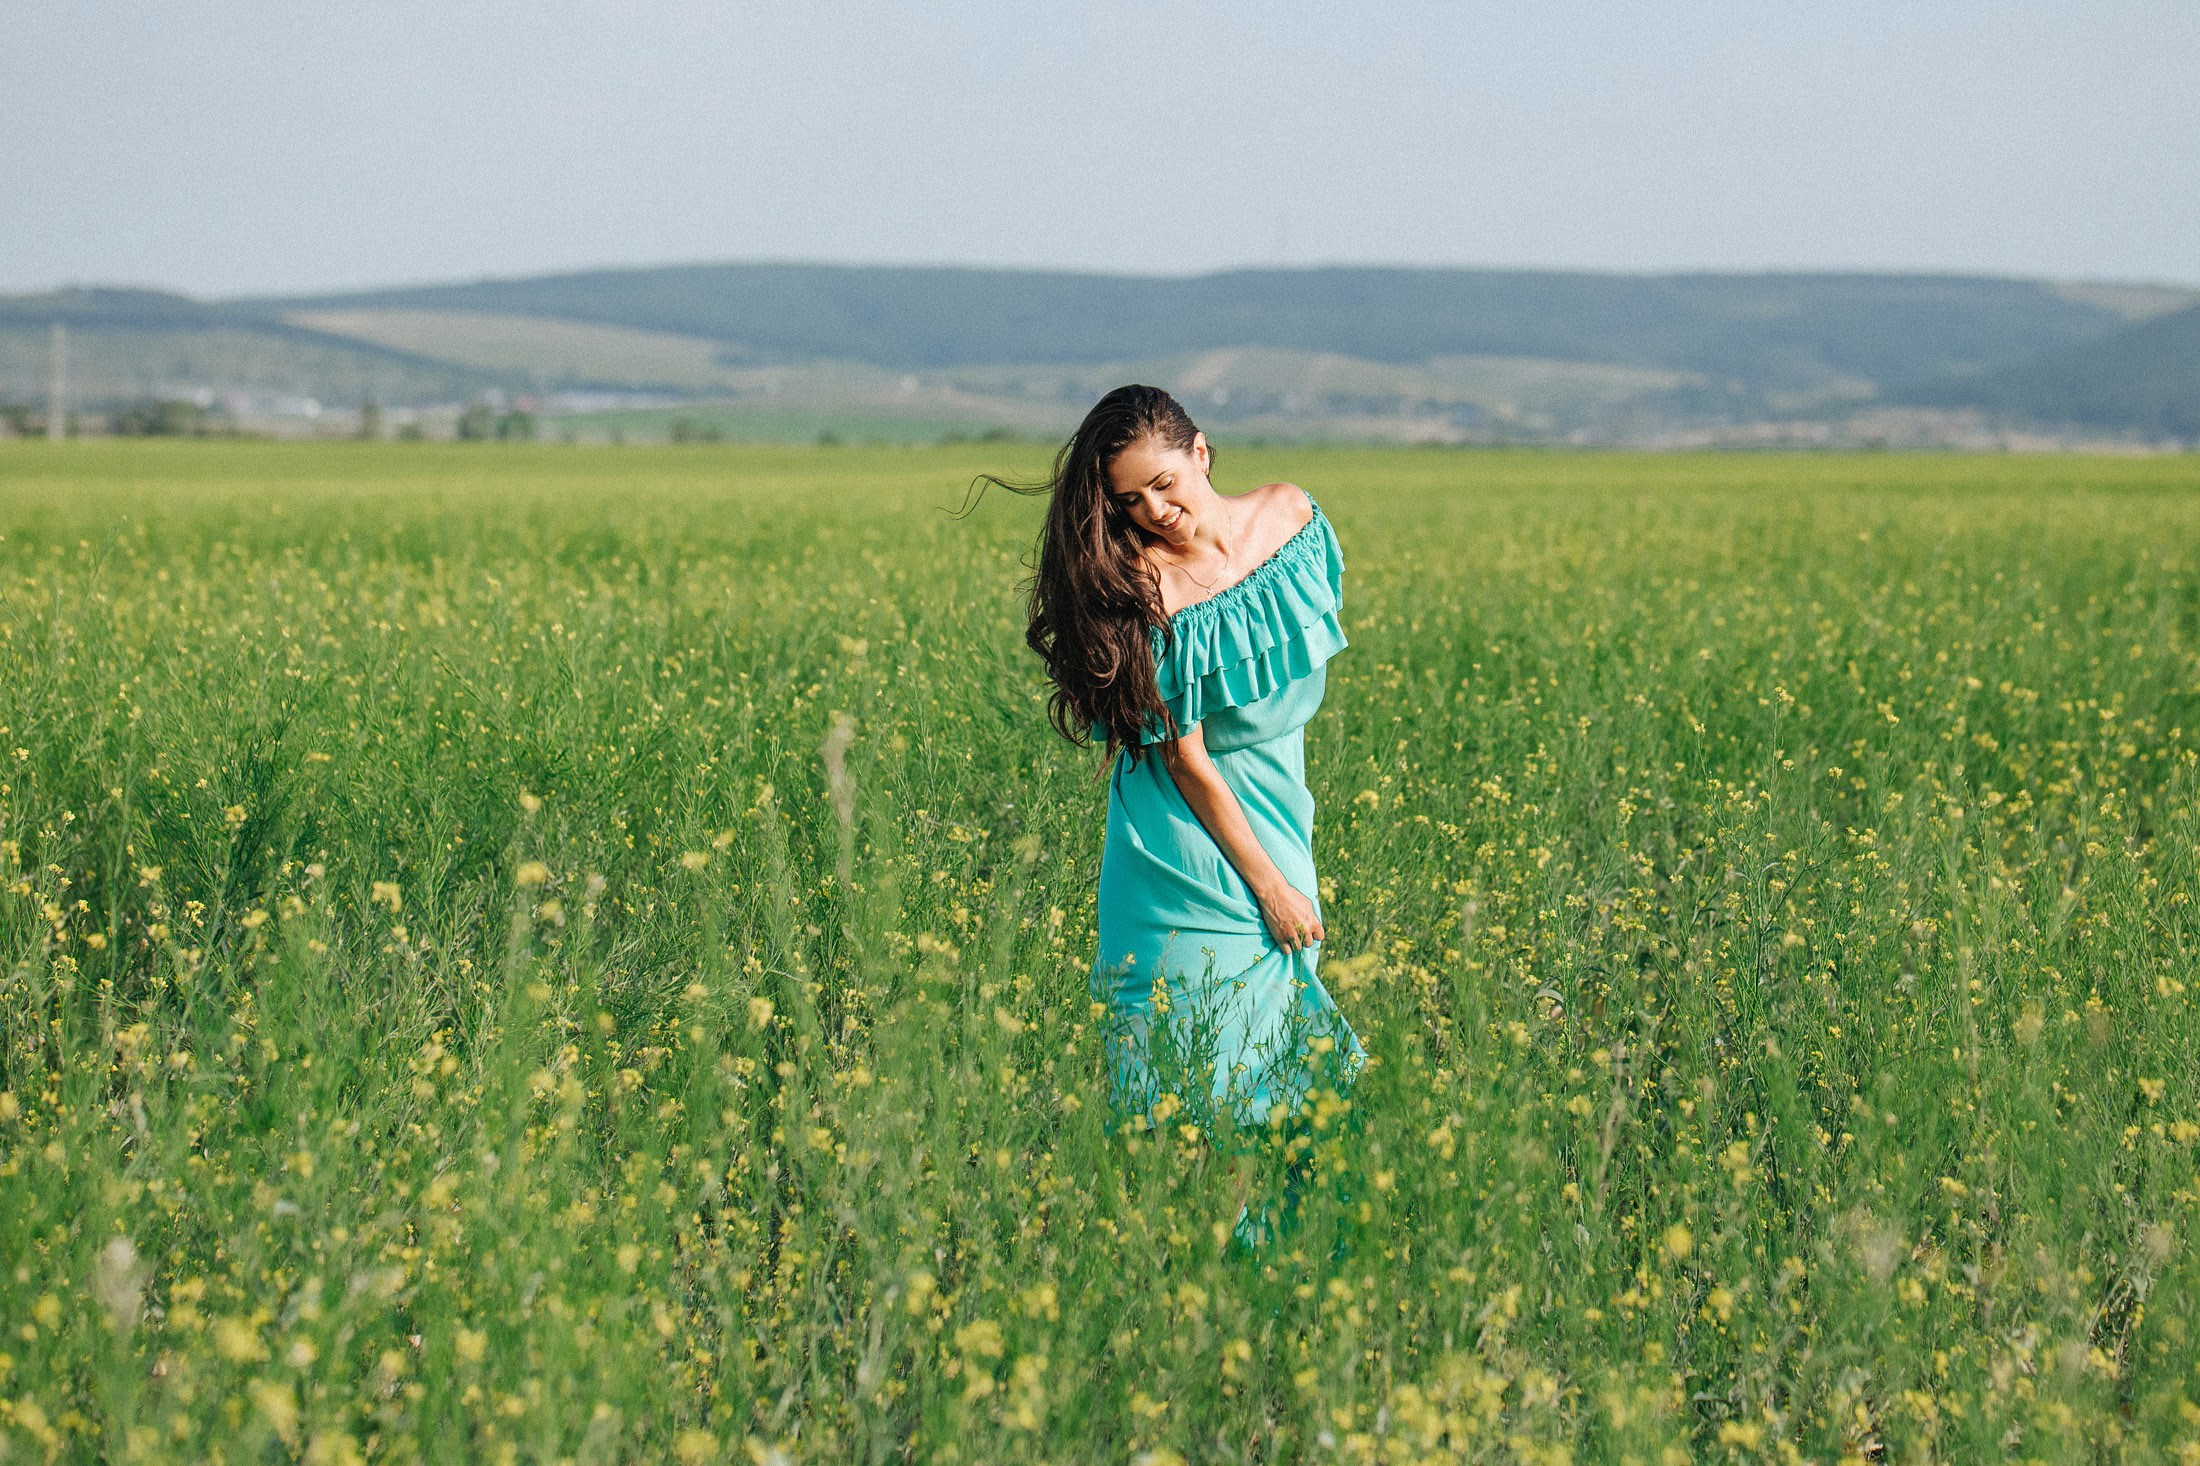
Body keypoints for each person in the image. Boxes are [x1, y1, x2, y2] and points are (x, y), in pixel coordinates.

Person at [1005, 384, 1364, 1234]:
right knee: (1205, 1081)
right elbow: (1187, 760)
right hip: (1185, 838)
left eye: (1165, 483)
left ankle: (1284, 1281)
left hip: (1276, 807)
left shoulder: (1296, 521)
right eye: (1129, 501)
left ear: (1201, 452)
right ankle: (1208, 1283)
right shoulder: (1144, 586)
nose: (1155, 512)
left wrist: (1284, 874)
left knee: (1285, 1068)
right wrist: (1272, 888)